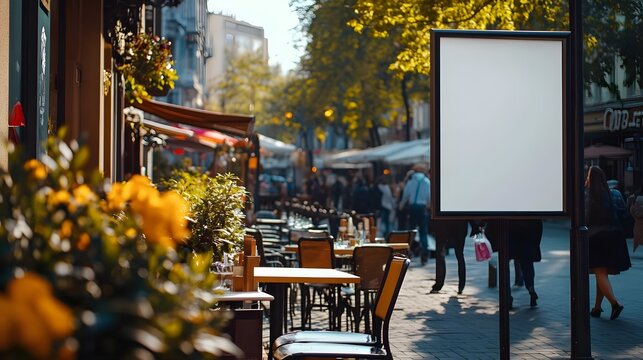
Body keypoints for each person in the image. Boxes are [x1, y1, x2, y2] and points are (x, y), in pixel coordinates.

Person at [585, 166, 631, 320]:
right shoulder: (615, 194)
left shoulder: (588, 196)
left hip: (596, 238)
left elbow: (584, 218)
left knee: (599, 272)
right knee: (602, 273)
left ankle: (615, 304)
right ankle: (597, 308)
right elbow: (624, 212)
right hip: (614, 237)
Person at [399, 164, 431, 265]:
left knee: (411, 232)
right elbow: (429, 197)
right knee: (423, 232)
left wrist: (401, 204)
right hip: (422, 208)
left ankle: (409, 251)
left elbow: (405, 195)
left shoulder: (411, 181)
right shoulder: (427, 182)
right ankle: (424, 255)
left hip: (412, 207)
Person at [507, 219, 543, 308]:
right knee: (527, 264)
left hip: (511, 234)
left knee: (505, 265)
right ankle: (531, 289)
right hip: (527, 234)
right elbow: (538, 223)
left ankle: (507, 296)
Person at [430, 220, 468, 294]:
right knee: (459, 255)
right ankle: (461, 285)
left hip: (442, 223)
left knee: (440, 255)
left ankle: (438, 284)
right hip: (460, 224)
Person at [627, 185, 643, 253]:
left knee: (638, 236)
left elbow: (631, 209)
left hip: (638, 222)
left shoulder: (635, 197)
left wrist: (635, 217)